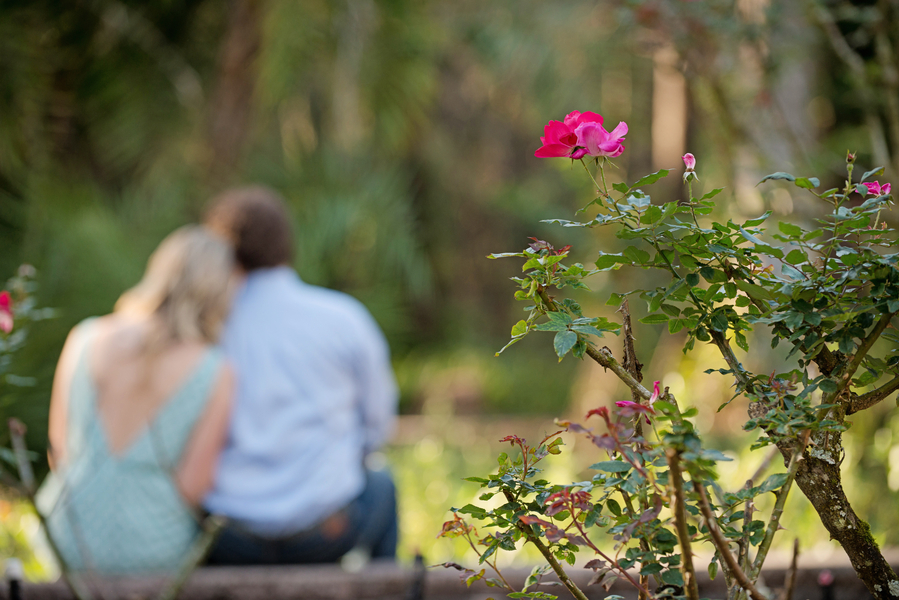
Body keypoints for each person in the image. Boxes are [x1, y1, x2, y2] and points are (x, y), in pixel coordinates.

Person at [202, 185, 399, 565]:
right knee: (382, 485)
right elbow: (377, 427)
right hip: (326, 533)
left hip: (228, 537)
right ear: (287, 244)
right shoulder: (343, 317)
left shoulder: (205, 328)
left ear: (220, 252)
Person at [36, 226, 236, 574]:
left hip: (68, 531)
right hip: (155, 544)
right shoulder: (216, 371)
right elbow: (194, 486)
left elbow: (59, 451)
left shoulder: (85, 337)